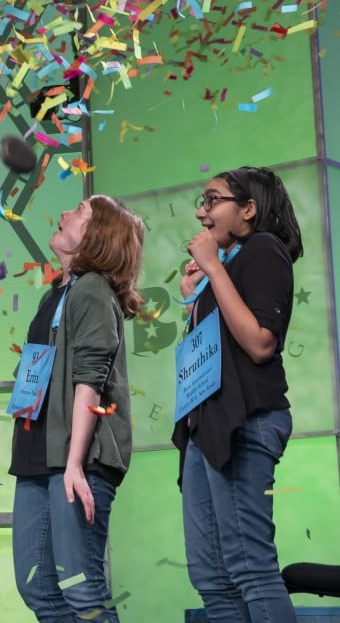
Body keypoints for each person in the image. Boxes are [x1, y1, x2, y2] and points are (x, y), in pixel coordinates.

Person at [173, 167, 303, 622]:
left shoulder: (264, 249)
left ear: (248, 209)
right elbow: (215, 350)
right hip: (205, 424)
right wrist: (195, 295)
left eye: (212, 200)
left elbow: (260, 343)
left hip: (245, 420)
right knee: (211, 575)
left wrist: (212, 267)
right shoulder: (225, 267)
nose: (201, 212)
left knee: (249, 568)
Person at [9, 195, 143, 622]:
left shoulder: (92, 289)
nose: (65, 213)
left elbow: (91, 380)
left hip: (74, 458)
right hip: (38, 454)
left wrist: (74, 465)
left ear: (96, 236)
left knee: (81, 590)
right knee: (41, 592)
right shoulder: (58, 293)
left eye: (79, 211)